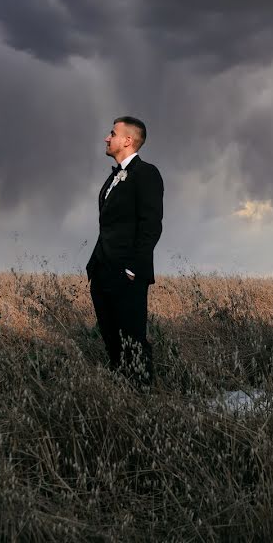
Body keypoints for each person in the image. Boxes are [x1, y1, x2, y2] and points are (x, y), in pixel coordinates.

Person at [86, 116, 163, 385]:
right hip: (102, 273)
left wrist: (133, 269)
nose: (107, 138)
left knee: (133, 343)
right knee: (112, 344)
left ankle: (143, 400)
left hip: (127, 275)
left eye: (112, 133)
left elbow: (151, 226)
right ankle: (121, 399)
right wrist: (95, 270)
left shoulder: (146, 173)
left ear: (128, 140)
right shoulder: (113, 178)